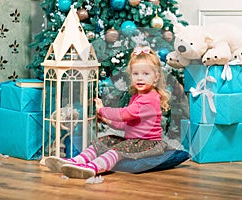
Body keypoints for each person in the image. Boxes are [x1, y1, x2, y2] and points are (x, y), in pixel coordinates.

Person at [45, 46, 171, 179]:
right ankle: (75, 162)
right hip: (134, 141)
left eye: (146, 74)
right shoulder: (137, 96)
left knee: (118, 150)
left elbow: (125, 114)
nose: (140, 78)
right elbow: (128, 124)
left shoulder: (150, 99)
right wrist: (108, 121)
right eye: (136, 74)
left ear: (156, 77)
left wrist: (102, 110)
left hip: (149, 144)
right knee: (104, 141)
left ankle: (92, 168)